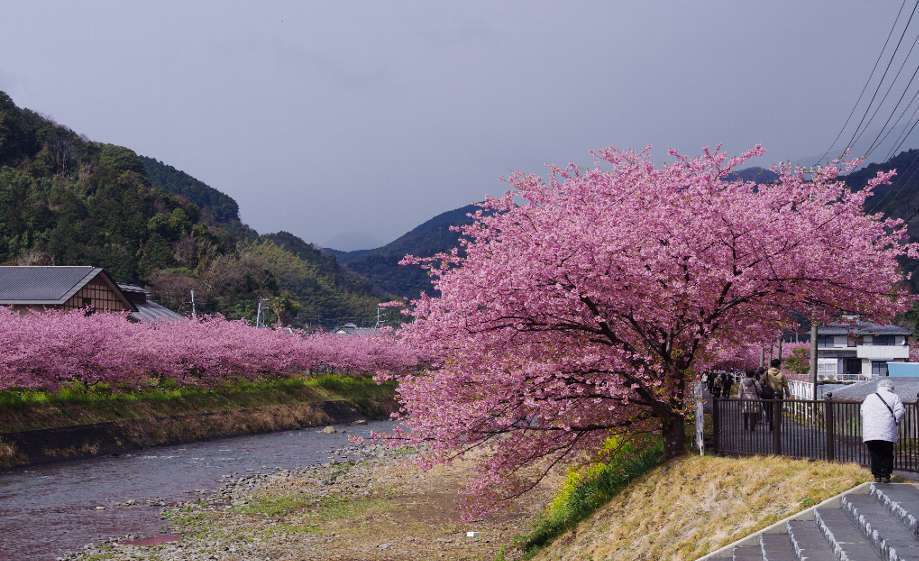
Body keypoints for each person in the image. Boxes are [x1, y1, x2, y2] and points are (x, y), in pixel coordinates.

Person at [861, 378, 905, 483]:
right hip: (887, 430)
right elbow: (900, 411)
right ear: (891, 388)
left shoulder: (869, 397)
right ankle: (885, 475)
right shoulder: (894, 397)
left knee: (874, 453)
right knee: (887, 453)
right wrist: (895, 420)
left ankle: (877, 475)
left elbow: (862, 411)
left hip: (870, 431)